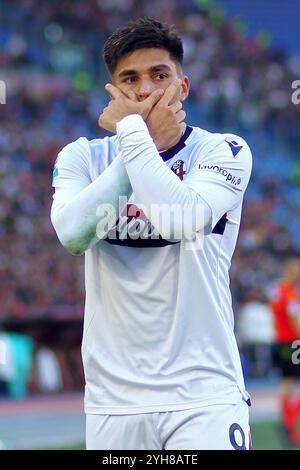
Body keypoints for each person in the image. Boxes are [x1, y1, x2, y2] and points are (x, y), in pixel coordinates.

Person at [51, 17, 252, 450]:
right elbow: (72, 234)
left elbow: (179, 219)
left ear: (182, 87)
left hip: (203, 395)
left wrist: (132, 136)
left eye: (160, 75)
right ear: (114, 93)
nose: (146, 90)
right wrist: (135, 141)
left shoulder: (223, 151)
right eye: (130, 79)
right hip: (113, 402)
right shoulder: (81, 158)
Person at [269, 258, 300, 444]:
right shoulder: (290, 294)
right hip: (292, 343)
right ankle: (289, 422)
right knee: (289, 384)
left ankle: (286, 423)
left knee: (287, 384)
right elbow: (294, 318)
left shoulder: (275, 290)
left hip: (280, 342)